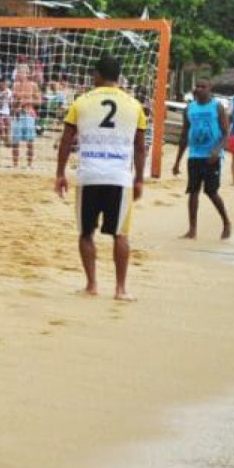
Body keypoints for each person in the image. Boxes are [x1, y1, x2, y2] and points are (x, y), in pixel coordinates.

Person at [55, 56, 146, 301]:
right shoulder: (134, 105)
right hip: (120, 177)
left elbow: (66, 140)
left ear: (96, 74)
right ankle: (120, 289)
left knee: (86, 233)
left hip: (89, 175)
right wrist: (140, 179)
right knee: (120, 234)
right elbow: (140, 146)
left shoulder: (81, 102)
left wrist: (60, 174)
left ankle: (92, 284)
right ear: (119, 76)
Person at [173, 79, 232, 240]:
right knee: (193, 192)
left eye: (203, 87)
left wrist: (217, 150)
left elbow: (226, 132)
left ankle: (226, 222)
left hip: (212, 157)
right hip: (194, 156)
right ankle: (192, 230)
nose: (199, 89)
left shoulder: (217, 107)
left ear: (210, 89)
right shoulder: (189, 108)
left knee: (211, 192)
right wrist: (177, 161)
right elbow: (184, 134)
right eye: (197, 86)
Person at [11, 65, 41, 168]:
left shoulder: (33, 85)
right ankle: (15, 165)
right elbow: (13, 102)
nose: (19, 74)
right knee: (15, 141)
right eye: (18, 72)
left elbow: (39, 101)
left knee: (30, 141)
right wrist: (16, 105)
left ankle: (29, 164)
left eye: (21, 72)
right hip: (18, 115)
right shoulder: (15, 85)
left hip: (29, 114)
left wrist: (28, 101)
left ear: (27, 74)